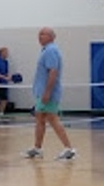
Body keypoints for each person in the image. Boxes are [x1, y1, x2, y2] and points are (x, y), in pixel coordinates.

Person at [22, 27, 76, 161]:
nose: (40, 36)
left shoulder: (51, 51)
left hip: (48, 93)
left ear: (52, 37)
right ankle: (37, 148)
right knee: (40, 118)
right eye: (39, 34)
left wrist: (47, 92)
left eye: (43, 34)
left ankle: (69, 149)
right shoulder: (46, 51)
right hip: (42, 92)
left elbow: (53, 72)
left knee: (52, 119)